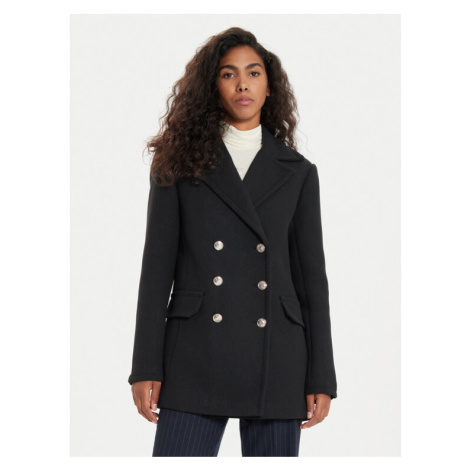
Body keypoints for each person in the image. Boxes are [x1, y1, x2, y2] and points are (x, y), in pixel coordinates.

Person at [128, 26, 337, 457]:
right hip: (195, 355)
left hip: (276, 357)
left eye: (253, 73)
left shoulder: (298, 172)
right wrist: (145, 365)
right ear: (213, 86)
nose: (243, 84)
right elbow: (156, 271)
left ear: (269, 86)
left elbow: (311, 282)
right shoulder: (177, 164)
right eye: (229, 74)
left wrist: (321, 375)